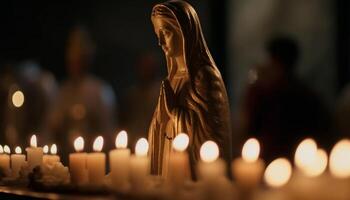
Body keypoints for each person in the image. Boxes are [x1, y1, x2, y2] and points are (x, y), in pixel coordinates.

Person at [148, 0, 232, 178]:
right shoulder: (172, 78)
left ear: (185, 33)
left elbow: (211, 136)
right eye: (157, 34)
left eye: (166, 33)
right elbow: (161, 127)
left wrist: (175, 112)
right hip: (167, 165)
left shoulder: (204, 77)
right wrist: (160, 121)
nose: (160, 42)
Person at [236, 37, 330, 162]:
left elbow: (245, 128)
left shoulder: (265, 94)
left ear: (275, 63)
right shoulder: (307, 94)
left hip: (271, 160)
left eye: (268, 61)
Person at [46, 26, 117, 163]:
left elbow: (108, 130)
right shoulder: (62, 91)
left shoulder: (100, 90)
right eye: (72, 61)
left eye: (79, 60)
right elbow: (51, 126)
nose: (75, 65)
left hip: (93, 159)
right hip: (66, 157)